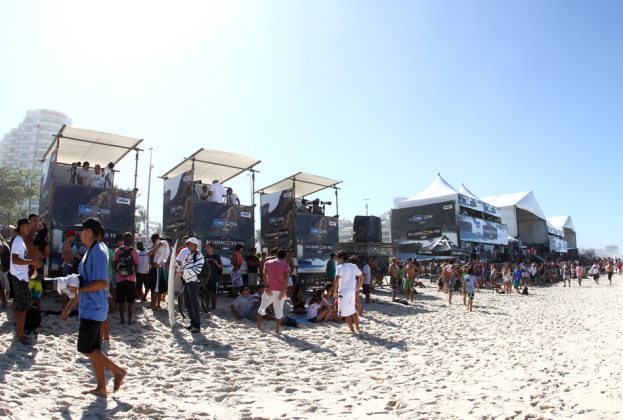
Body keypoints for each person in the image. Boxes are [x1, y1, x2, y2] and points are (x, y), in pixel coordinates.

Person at [60, 218, 126, 396]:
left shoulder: (97, 251)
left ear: (89, 232)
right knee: (93, 349)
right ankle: (101, 387)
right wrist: (68, 307)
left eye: (81, 231)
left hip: (94, 307)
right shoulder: (93, 250)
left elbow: (101, 282)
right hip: (91, 307)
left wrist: (78, 290)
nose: (79, 234)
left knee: (85, 349)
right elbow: (84, 281)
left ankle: (118, 371)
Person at [10, 219, 41, 344]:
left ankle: (19, 332)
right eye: (27, 226)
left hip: (20, 277)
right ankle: (20, 334)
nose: (29, 228)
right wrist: (32, 262)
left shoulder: (20, 240)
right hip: (19, 278)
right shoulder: (18, 240)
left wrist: (30, 263)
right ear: (22, 227)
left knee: (22, 306)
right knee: (24, 308)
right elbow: (15, 260)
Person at [257, 248, 289, 334]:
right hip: (279, 291)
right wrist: (283, 291)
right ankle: (277, 330)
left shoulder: (268, 262)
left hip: (269, 289)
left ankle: (258, 327)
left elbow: (264, 274)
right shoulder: (285, 265)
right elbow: (286, 279)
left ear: (276, 255)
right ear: (285, 256)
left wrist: (266, 285)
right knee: (279, 312)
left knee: (262, 308)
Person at [333, 250, 364, 333]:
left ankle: (352, 330)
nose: (337, 259)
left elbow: (336, 281)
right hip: (352, 292)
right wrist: (357, 288)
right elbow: (362, 277)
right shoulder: (353, 266)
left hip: (343, 292)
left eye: (337, 258)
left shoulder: (340, 267)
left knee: (346, 312)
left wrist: (334, 292)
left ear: (341, 257)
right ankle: (358, 328)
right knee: (353, 310)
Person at [178, 238, 204, 333]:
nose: (189, 246)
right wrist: (179, 269)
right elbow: (183, 266)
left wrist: (183, 272)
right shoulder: (189, 255)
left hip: (193, 283)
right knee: (187, 304)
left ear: (196, 246)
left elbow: (197, 270)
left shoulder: (199, 256)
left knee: (194, 305)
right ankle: (192, 324)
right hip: (187, 282)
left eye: (191, 244)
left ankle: (196, 326)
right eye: (188, 244)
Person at [113, 232, 139, 325]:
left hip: (120, 279)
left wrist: (119, 272)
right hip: (131, 280)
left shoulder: (118, 251)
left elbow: (114, 264)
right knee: (130, 301)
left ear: (123, 240)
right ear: (131, 240)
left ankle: (122, 320)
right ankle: (129, 321)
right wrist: (132, 274)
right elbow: (136, 266)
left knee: (121, 301)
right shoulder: (134, 252)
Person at [147, 233, 170, 310]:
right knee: (154, 288)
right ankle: (153, 305)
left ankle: (155, 305)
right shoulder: (157, 245)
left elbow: (150, 254)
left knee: (157, 288)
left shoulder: (160, 245)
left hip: (158, 269)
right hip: (155, 269)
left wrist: (160, 264)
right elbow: (150, 256)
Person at [204, 242, 223, 311]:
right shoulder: (205, 257)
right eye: (206, 247)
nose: (207, 249)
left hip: (215, 277)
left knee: (214, 292)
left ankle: (214, 306)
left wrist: (216, 263)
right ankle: (207, 304)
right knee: (207, 292)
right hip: (206, 277)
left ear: (212, 248)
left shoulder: (216, 256)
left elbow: (221, 266)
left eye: (208, 247)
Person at [0, 235, 10, 308]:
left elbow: (5, 257)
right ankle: (4, 302)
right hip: (5, 268)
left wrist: (2, 266)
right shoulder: (3, 243)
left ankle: (4, 303)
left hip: (5, 268)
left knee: (4, 287)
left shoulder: (2, 244)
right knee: (2, 287)